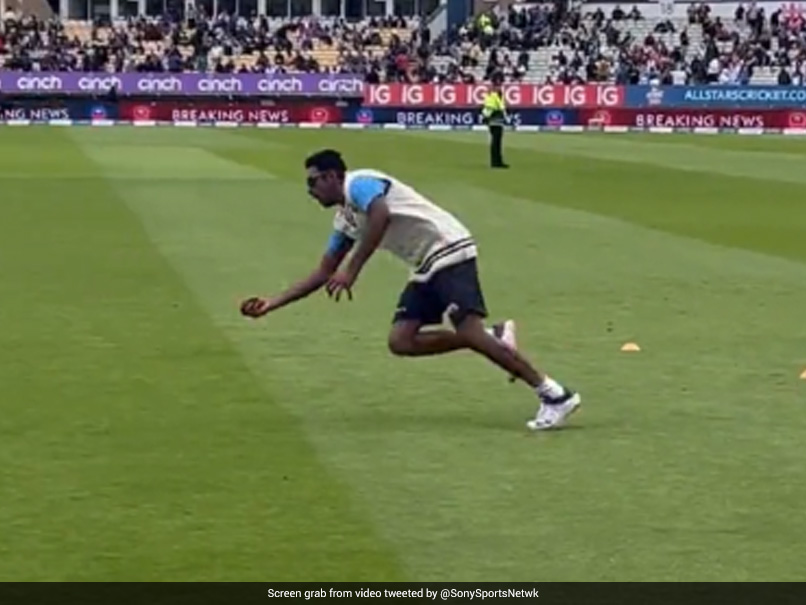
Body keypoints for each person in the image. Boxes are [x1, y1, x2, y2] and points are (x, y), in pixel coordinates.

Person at [240, 149, 581, 430]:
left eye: (313, 182)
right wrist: (272, 303)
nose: (310, 190)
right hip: (425, 265)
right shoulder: (344, 220)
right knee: (401, 341)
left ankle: (554, 394)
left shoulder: (359, 183)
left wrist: (353, 271)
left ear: (332, 177)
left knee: (467, 328)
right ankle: (491, 338)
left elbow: (381, 214)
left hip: (447, 247)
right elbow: (322, 272)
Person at [481, 73, 509, 169]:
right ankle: (495, 162)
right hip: (494, 118)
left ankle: (498, 161)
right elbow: (491, 107)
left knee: (497, 141)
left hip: (497, 118)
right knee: (496, 141)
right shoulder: (493, 94)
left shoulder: (495, 93)